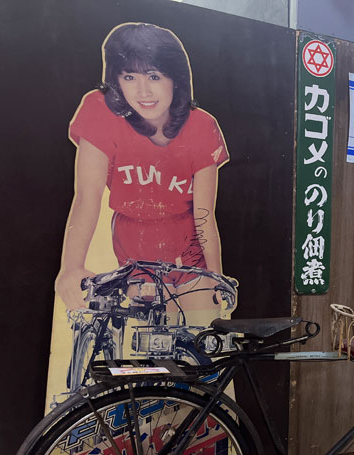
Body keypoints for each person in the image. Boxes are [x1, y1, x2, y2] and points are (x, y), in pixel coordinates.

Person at [55, 22, 229, 313]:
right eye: (129, 76)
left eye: (154, 75)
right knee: (155, 339)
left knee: (201, 336)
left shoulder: (202, 126)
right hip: (136, 249)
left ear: (175, 78)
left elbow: (203, 215)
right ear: (116, 81)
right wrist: (70, 268)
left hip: (189, 251)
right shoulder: (100, 112)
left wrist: (217, 277)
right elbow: (87, 196)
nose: (143, 91)